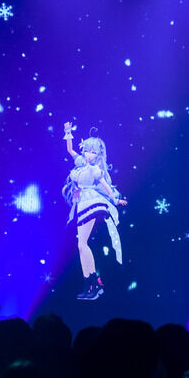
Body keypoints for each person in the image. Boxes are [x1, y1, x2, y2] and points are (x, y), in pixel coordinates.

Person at [62, 121, 127, 300]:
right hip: (82, 204)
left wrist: (115, 199)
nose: (89, 154)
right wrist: (68, 131)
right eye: (87, 151)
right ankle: (89, 284)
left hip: (92, 203)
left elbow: (106, 186)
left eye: (93, 152)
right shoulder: (81, 163)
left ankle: (93, 284)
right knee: (81, 246)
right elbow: (70, 150)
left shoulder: (95, 169)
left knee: (82, 244)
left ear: (98, 154)